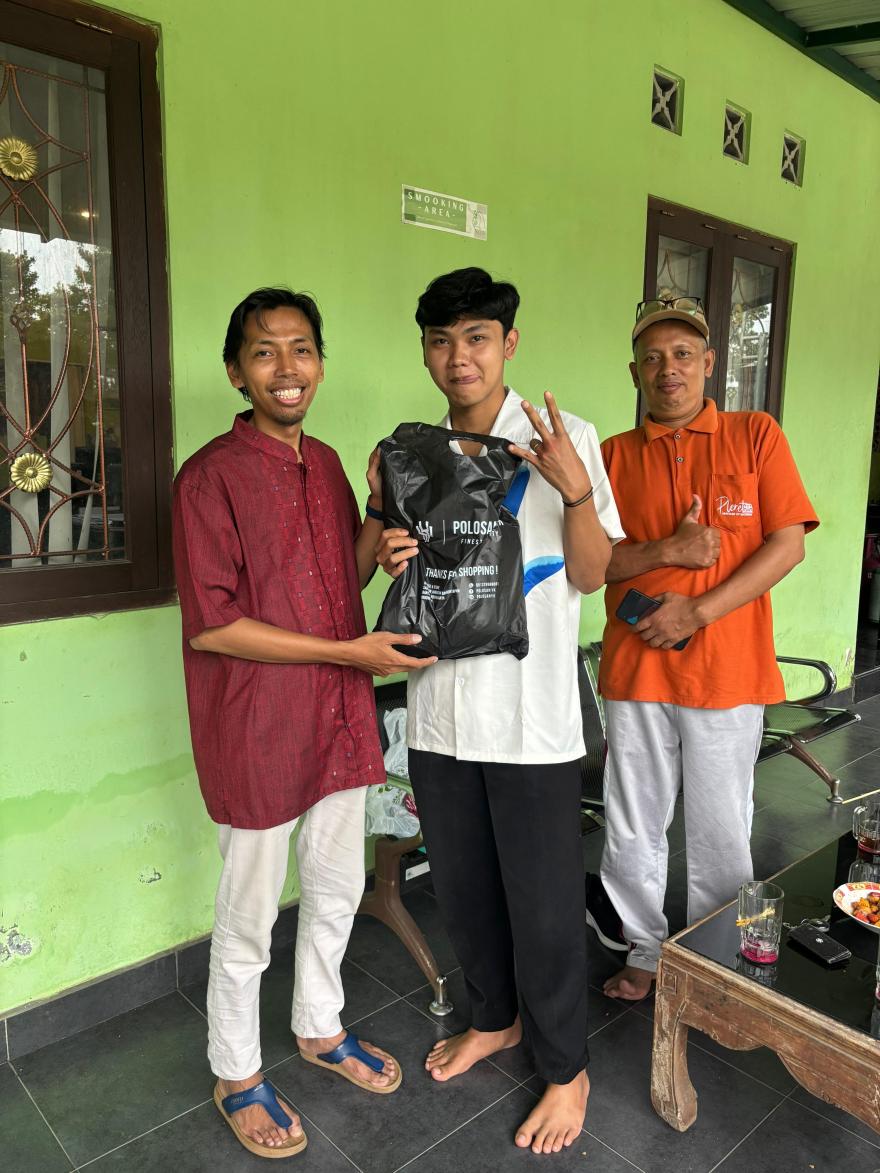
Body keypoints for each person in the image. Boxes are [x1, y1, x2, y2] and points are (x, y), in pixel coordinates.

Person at [172, 287, 435, 1160]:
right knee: (250, 911)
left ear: (320, 363)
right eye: (264, 351)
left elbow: (339, 582)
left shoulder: (322, 464)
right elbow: (213, 624)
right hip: (256, 724)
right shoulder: (207, 477)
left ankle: (320, 1024)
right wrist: (348, 652)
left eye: (301, 349)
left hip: (337, 716)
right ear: (236, 371)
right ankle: (236, 1069)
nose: (286, 368)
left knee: (335, 887)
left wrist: (379, 526)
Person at [375, 267, 625, 1155]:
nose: (460, 357)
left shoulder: (566, 437)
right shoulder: (414, 455)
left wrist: (576, 490)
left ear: (508, 344)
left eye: (477, 338)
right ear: (426, 351)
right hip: (439, 711)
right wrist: (389, 545)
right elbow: (397, 564)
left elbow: (593, 572)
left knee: (545, 904)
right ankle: (495, 1018)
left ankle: (567, 1068)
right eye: (442, 340)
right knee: (464, 887)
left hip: (531, 718)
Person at [594, 296, 818, 1001]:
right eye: (653, 358)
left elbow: (787, 544)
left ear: (710, 362)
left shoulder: (756, 436)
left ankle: (716, 957)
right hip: (636, 668)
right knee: (633, 822)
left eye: (683, 354)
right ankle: (644, 948)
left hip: (727, 669)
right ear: (635, 370)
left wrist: (696, 611)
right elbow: (592, 564)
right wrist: (668, 550)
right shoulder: (611, 456)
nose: (669, 369)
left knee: (723, 824)